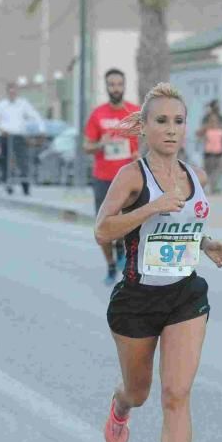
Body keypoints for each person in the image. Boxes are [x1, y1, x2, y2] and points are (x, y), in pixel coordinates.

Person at [94, 82, 222, 442]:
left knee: (177, 393)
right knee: (140, 391)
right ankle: (121, 407)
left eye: (178, 121)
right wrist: (149, 208)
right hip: (137, 299)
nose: (171, 130)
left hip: (184, 296)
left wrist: (207, 243)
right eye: (161, 121)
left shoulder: (195, 176)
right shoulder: (132, 176)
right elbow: (103, 229)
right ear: (144, 127)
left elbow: (185, 229)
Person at [84, 68, 140, 283]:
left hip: (128, 177)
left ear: (124, 85)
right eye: (111, 84)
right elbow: (86, 146)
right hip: (103, 177)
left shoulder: (135, 112)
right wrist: (100, 144)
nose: (115, 88)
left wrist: (138, 154)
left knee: (128, 220)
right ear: (106, 87)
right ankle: (109, 265)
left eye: (119, 84)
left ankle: (121, 251)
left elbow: (145, 141)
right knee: (103, 225)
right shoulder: (98, 114)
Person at [0, 82, 45, 196]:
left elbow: (35, 116)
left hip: (19, 135)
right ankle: (8, 184)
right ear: (7, 92)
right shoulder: (1, 105)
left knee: (22, 161)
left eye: (14, 91)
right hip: (5, 135)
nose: (12, 93)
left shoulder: (23, 104)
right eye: (10, 91)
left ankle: (25, 186)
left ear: (17, 92)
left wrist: (41, 129)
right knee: (5, 161)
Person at [196, 100, 222, 195]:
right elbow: (199, 132)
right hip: (208, 150)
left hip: (220, 149)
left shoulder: (221, 117)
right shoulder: (206, 118)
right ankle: (208, 187)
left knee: (218, 169)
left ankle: (213, 186)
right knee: (208, 170)